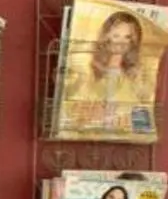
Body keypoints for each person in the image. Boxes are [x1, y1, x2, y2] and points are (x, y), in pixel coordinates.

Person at [63, 9, 152, 137]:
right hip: (93, 137)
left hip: (124, 139)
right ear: (106, 37)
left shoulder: (134, 76)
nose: (121, 42)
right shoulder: (91, 72)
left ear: (133, 41)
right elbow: (75, 113)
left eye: (127, 37)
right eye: (116, 36)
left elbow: (141, 118)